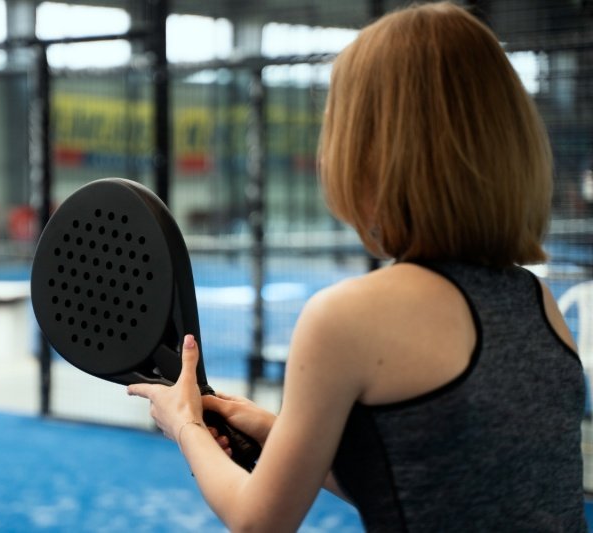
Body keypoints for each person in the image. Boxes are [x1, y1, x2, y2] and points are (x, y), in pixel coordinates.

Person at [127, 2, 587, 531]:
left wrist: (184, 424)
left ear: (367, 152)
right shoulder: (536, 301)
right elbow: (426, 485)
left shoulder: (347, 317)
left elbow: (259, 522)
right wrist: (276, 429)